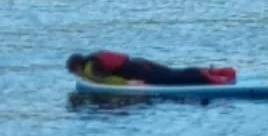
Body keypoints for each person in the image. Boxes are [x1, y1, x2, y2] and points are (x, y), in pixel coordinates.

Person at [67, 51, 235, 87]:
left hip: (137, 72)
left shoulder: (90, 69)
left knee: (173, 79)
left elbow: (105, 79)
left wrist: (129, 84)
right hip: (140, 63)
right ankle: (213, 71)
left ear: (77, 68)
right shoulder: (94, 57)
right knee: (173, 73)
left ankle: (208, 77)